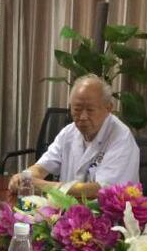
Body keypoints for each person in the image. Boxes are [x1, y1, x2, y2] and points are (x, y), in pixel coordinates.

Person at [9, 74, 140, 198]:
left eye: (90, 110)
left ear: (108, 108)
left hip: (108, 212)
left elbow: (101, 190)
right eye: (77, 109)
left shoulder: (121, 138)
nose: (82, 117)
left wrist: (42, 185)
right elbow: (42, 167)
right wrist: (23, 177)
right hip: (68, 208)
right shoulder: (69, 132)